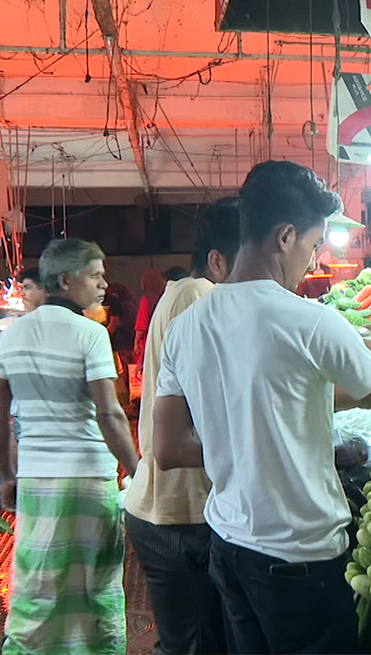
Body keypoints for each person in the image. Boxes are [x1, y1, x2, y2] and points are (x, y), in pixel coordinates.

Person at [154, 161, 371, 654]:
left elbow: (169, 444)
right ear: (285, 237)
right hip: (302, 558)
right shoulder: (312, 322)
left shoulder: (186, 327)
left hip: (229, 545)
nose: (313, 258)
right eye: (313, 243)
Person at [0, 239, 140, 655]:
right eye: (95, 275)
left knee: (39, 579)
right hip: (89, 479)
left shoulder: (11, 337)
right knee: (96, 581)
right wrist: (137, 470)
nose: (104, 284)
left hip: (37, 479)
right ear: (66, 280)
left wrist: (7, 476)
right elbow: (109, 413)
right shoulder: (90, 334)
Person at [124, 200, 241, 655]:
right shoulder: (200, 297)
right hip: (181, 515)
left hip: (172, 508)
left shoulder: (182, 292)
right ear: (218, 261)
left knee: (192, 642)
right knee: (196, 645)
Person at [134, 269, 166, 364]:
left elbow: (142, 324)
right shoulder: (164, 297)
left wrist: (136, 342)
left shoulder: (146, 299)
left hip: (149, 341)